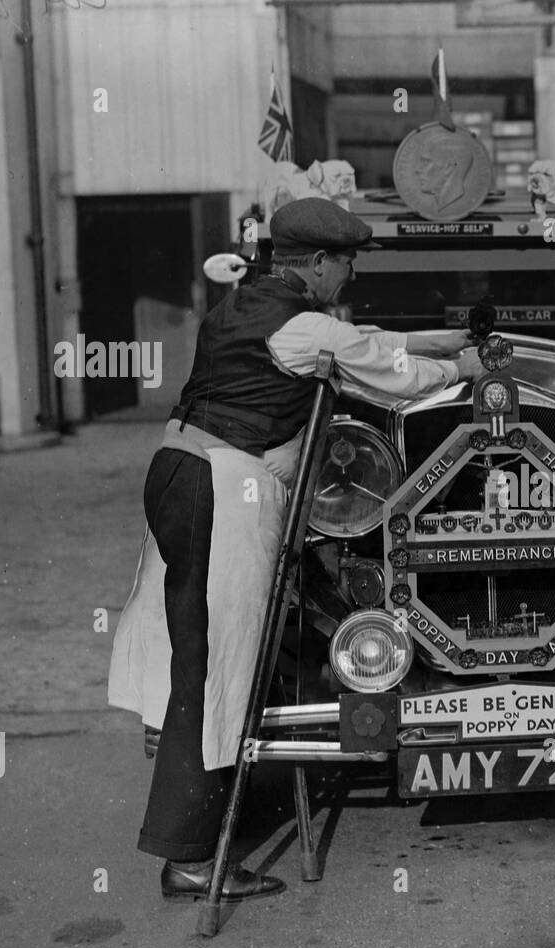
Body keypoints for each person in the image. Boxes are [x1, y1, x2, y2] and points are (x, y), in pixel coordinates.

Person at [108, 198, 483, 902]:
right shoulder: (305, 325)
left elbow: (364, 338)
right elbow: (391, 375)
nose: (349, 275)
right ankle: (191, 858)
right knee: (223, 666)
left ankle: (186, 836)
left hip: (180, 472)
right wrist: (458, 366)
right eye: (344, 263)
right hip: (227, 487)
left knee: (194, 658)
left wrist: (438, 337)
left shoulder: (245, 307)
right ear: (314, 263)